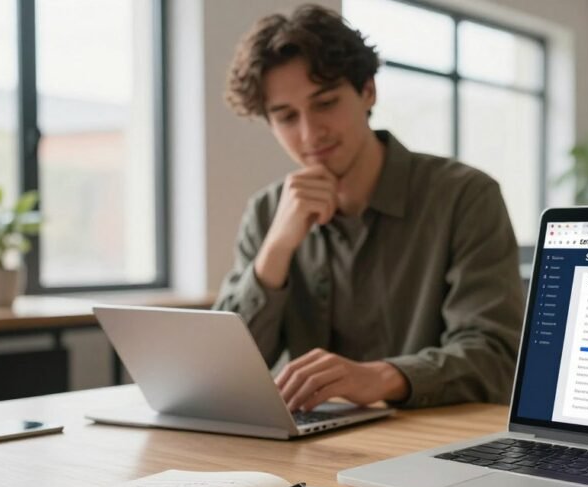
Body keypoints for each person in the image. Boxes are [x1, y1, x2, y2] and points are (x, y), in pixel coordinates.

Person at [214, 5, 524, 413]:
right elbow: (223, 373)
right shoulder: (266, 212)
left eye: (326, 103)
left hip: (429, 436)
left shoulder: (466, 197)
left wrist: (380, 377)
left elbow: (495, 357)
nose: (310, 133)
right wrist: (276, 249)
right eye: (286, 117)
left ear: (368, 91)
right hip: (307, 437)